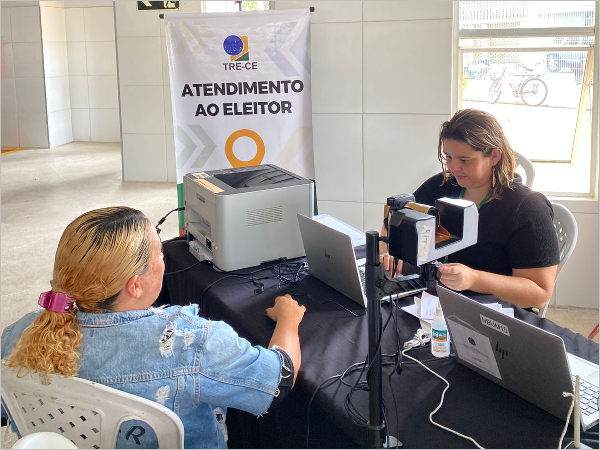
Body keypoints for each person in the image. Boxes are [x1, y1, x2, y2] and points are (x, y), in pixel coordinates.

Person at [1, 206, 306, 449]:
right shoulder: (189, 342)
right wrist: (289, 320)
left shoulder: (22, 333)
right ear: (134, 286)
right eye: (160, 252)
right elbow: (279, 377)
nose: (164, 259)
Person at [381, 109, 560, 310]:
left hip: (488, 314)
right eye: (448, 157)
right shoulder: (443, 185)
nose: (453, 168)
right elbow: (394, 215)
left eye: (464, 160)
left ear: (494, 156)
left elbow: (539, 294)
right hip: (431, 302)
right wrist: (389, 250)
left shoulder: (528, 208)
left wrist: (474, 279)